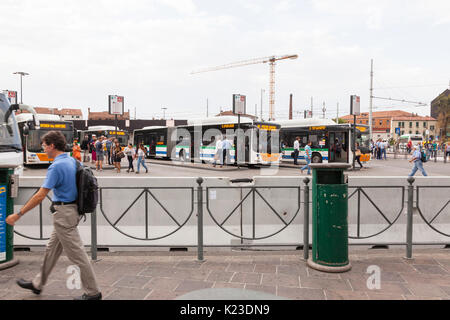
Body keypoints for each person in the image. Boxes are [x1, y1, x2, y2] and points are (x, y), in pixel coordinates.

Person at [5, 131, 102, 300]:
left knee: (77, 255)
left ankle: (93, 293)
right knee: (51, 251)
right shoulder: (71, 160)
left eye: (44, 145)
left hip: (64, 215)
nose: (43, 148)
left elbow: (40, 195)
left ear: (52, 146)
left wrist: (18, 214)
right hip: (70, 212)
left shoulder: (56, 166)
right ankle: (37, 284)